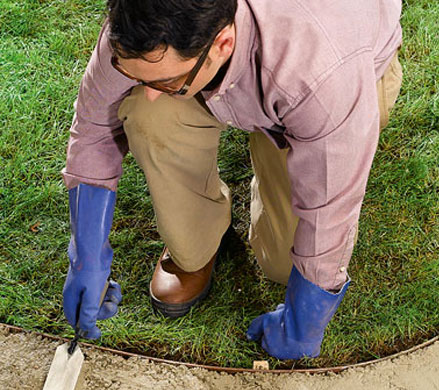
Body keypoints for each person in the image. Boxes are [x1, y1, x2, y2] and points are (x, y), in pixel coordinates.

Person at [62, 0, 403, 360]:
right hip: (244, 73)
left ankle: (281, 140)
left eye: (166, 81)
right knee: (149, 111)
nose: (147, 90)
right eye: (135, 75)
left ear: (222, 43)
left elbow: (331, 207)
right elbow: (93, 128)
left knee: (283, 265)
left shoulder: (323, 73)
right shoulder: (147, 16)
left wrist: (304, 323)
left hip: (336, 79)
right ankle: (198, 244)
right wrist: (86, 254)